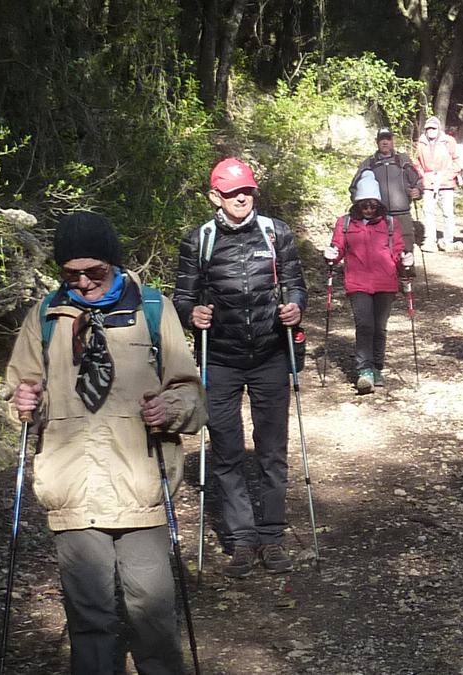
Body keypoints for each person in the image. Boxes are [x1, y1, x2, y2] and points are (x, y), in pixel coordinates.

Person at [6, 212, 206, 674]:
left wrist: (170, 409)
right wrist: (22, 401)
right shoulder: (45, 317)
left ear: (114, 264)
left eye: (94, 272)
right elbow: (19, 394)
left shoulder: (154, 310)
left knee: (152, 614)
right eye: (71, 274)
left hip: (140, 487)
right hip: (72, 488)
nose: (83, 283)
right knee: (88, 618)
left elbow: (192, 394)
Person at [173, 157, 308, 578]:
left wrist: (295, 308)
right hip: (220, 361)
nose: (242, 199)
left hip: (270, 356)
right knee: (227, 451)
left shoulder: (276, 232)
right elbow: (182, 297)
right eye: (233, 193)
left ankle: (271, 535)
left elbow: (297, 284)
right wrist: (191, 314)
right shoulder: (200, 240)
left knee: (272, 451)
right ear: (216, 196)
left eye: (247, 190)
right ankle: (242, 539)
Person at [323, 171, 413, 393]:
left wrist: (405, 259)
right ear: (357, 204)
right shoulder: (345, 223)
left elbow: (398, 250)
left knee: (379, 328)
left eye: (373, 204)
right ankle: (364, 370)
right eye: (364, 205)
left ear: (379, 204)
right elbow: (338, 248)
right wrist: (332, 254)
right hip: (358, 282)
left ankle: (377, 367)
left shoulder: (390, 223)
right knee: (364, 325)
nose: (369, 209)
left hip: (386, 282)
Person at [351, 127, 422, 257]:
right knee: (380, 249)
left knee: (406, 248)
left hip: (402, 213)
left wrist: (418, 190)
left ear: (392, 141)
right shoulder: (369, 163)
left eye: (388, 139)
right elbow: (354, 186)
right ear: (376, 142)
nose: (385, 142)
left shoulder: (403, 160)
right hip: (377, 214)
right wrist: (363, 205)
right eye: (381, 139)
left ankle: (407, 273)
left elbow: (417, 180)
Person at [415, 115, 463, 252]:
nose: (431, 130)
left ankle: (448, 240)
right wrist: (422, 176)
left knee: (447, 212)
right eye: (428, 128)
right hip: (428, 182)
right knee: (428, 211)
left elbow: (458, 161)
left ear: (438, 129)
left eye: (434, 128)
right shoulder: (421, 143)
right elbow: (417, 162)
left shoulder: (449, 141)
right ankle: (430, 240)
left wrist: (448, 175)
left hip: (446, 182)